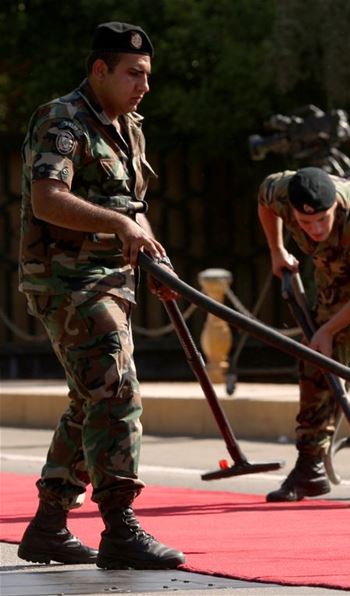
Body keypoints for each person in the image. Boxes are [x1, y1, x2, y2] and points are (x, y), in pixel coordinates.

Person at [17, 22, 185, 569]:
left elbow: (129, 208)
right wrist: (119, 225)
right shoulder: (61, 120)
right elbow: (48, 199)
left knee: (91, 397)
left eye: (147, 75)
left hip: (115, 279)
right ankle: (120, 527)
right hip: (66, 281)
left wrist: (153, 254)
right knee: (115, 389)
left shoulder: (127, 126)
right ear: (99, 71)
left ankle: (48, 526)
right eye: (133, 74)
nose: (144, 85)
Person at [257, 167, 350, 501]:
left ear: (335, 209)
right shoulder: (282, 191)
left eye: (321, 221)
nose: (313, 229)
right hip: (334, 270)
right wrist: (276, 250)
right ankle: (310, 468)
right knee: (315, 360)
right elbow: (263, 202)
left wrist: (329, 329)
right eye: (304, 222)